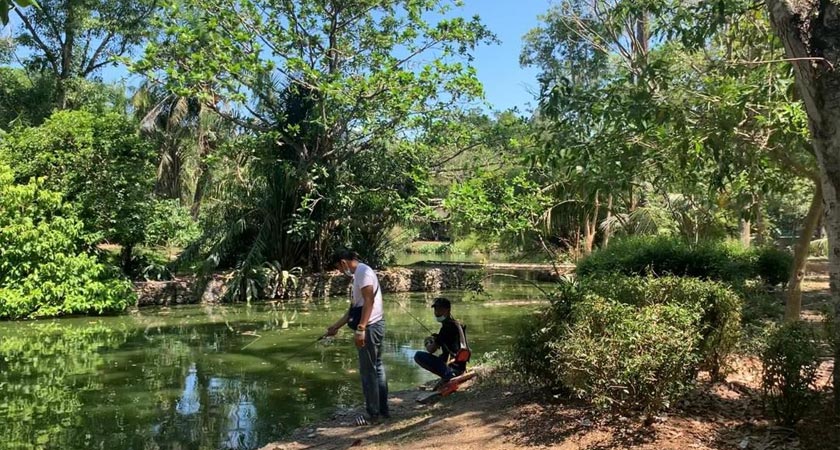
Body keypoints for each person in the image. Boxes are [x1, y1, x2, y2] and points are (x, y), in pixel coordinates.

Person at [325, 249, 389, 425]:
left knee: (369, 372)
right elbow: (354, 309)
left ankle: (373, 414)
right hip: (372, 325)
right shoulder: (358, 275)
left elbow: (369, 301)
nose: (339, 271)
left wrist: (361, 329)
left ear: (343, 262)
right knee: (376, 368)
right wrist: (335, 327)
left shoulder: (363, 272)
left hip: (370, 327)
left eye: (338, 267)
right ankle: (382, 411)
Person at [413, 297, 469, 386]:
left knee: (418, 356)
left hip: (453, 369)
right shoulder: (457, 324)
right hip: (460, 366)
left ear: (447, 310)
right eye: (435, 309)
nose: (436, 312)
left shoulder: (446, 328)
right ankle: (450, 373)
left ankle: (448, 375)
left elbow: (431, 350)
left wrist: (427, 342)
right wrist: (438, 338)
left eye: (439, 309)